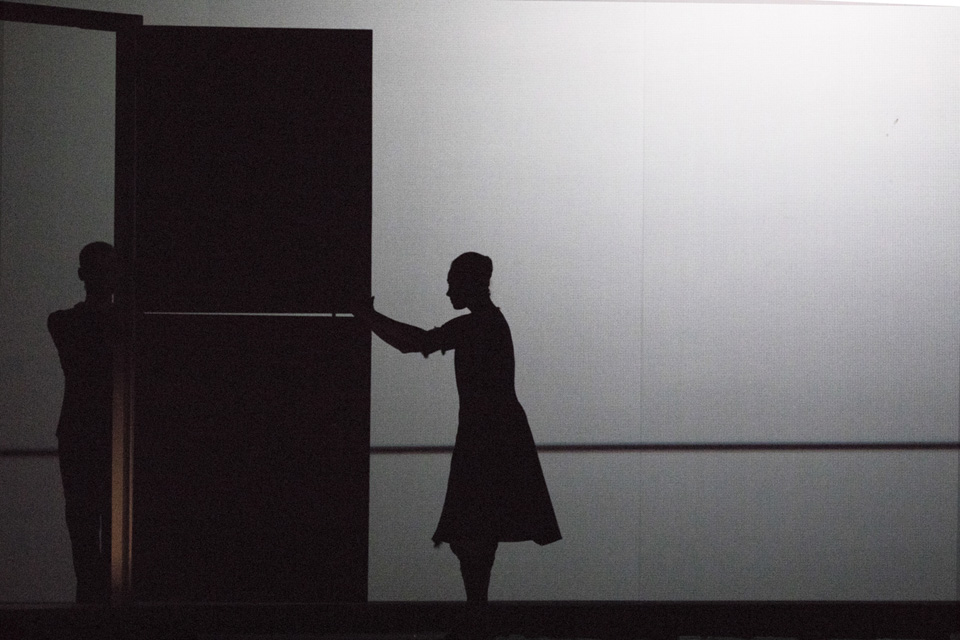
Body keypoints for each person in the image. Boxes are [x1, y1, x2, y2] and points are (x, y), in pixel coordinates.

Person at [354, 252, 561, 638]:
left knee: (473, 531)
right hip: (494, 435)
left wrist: (367, 316)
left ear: (469, 285)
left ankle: (477, 617)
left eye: (452, 283)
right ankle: (477, 615)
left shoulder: (477, 326)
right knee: (477, 531)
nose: (448, 291)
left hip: (488, 438)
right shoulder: (487, 323)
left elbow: (415, 342)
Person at [48, 241, 119, 604]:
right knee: (105, 523)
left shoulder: (64, 322)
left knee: (83, 524)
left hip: (79, 434)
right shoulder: (118, 325)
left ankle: (91, 604)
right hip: (106, 434)